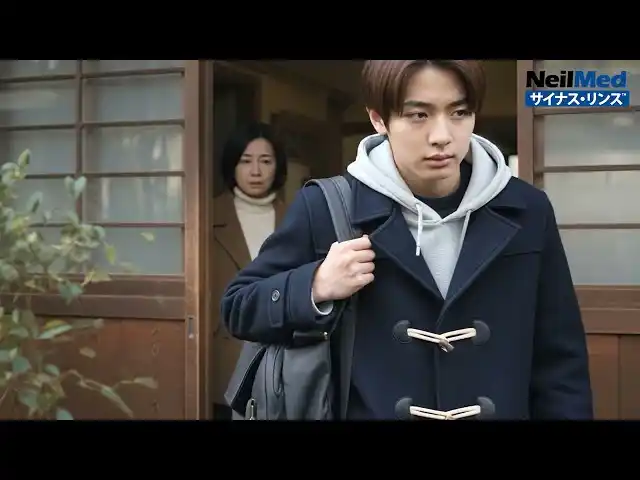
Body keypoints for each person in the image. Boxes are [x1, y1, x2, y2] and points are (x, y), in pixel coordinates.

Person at [220, 60, 593, 420]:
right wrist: (315, 285)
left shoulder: (526, 210)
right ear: (378, 119)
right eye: (419, 115)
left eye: (459, 113)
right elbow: (238, 306)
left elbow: (560, 363)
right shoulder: (327, 207)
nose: (442, 135)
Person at [211, 121, 288, 420]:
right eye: (245, 161)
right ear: (232, 165)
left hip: (281, 357)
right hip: (223, 352)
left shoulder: (297, 217)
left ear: (277, 167)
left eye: (265, 161)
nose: (255, 171)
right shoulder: (206, 216)